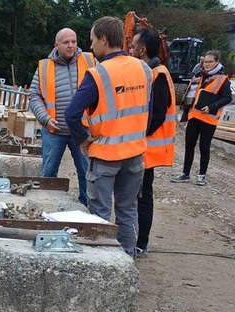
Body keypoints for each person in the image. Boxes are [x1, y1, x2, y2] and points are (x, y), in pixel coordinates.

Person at [65, 16, 153, 258]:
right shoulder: (144, 69)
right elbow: (149, 110)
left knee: (100, 215)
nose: (91, 46)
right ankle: (127, 261)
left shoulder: (98, 74)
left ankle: (104, 262)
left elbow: (71, 114)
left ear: (104, 39)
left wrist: (83, 139)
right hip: (135, 155)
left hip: (106, 156)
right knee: (128, 210)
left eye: (93, 40)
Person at [29, 28, 96, 206]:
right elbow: (34, 95)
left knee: (86, 172)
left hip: (81, 131)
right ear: (56, 45)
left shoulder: (89, 61)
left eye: (73, 41)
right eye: (66, 42)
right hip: (54, 131)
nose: (71, 45)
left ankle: (86, 209)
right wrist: (44, 117)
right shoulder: (44, 66)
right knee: (49, 173)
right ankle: (46, 206)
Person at [131, 28, 176, 257]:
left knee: (142, 196)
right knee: (139, 194)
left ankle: (140, 243)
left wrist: (137, 134)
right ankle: (138, 240)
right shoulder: (153, 71)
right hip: (146, 146)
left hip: (148, 147)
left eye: (133, 46)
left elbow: (157, 114)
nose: (130, 49)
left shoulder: (157, 74)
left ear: (143, 50)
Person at [171, 50, 231, 185]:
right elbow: (191, 94)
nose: (207, 64)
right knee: (189, 145)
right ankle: (185, 173)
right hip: (194, 116)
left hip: (209, 118)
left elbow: (227, 97)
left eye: (210, 62)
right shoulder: (199, 75)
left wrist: (212, 106)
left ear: (217, 62)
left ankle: (201, 175)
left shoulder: (222, 79)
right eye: (205, 62)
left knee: (204, 147)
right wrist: (186, 113)